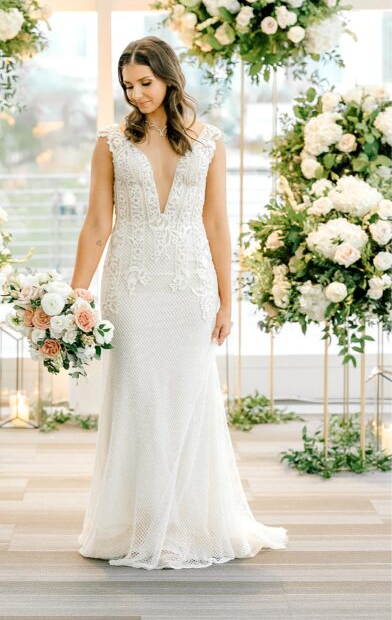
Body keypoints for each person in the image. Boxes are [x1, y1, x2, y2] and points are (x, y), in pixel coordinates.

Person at [74, 35, 287, 569]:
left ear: (169, 78)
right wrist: (76, 291)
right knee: (141, 405)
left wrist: (226, 299)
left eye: (145, 83)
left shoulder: (210, 141)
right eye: (128, 86)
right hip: (133, 287)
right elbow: (99, 223)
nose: (137, 94)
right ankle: (144, 524)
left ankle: (185, 523)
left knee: (189, 405)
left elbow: (217, 222)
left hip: (190, 288)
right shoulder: (111, 143)